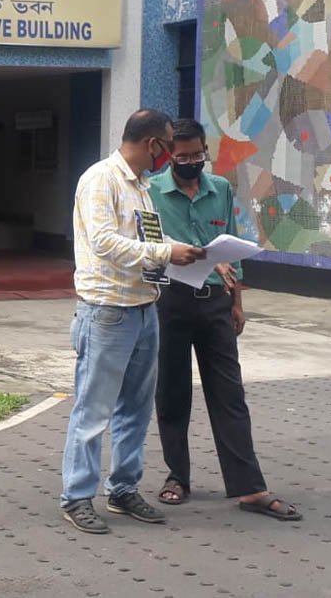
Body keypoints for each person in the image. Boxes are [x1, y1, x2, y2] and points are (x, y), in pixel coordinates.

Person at [60, 109, 206, 535]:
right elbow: (104, 243)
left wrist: (185, 252)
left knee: (136, 411)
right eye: (168, 146)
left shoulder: (141, 187)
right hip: (107, 311)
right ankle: (77, 497)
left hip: (144, 307)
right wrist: (164, 253)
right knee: (93, 411)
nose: (171, 156)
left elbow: (149, 241)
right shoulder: (100, 179)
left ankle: (123, 489)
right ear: (151, 144)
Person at [149, 118, 301, 520]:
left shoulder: (220, 188)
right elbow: (150, 245)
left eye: (198, 154)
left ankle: (250, 488)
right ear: (169, 155)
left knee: (230, 394)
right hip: (170, 302)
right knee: (172, 393)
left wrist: (237, 303)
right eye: (183, 157)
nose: (192, 162)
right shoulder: (150, 192)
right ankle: (177, 477)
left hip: (216, 303)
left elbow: (231, 248)